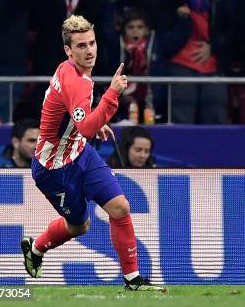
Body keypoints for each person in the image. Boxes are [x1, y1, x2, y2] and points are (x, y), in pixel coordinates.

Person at [20, 15, 164, 292]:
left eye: (92, 43)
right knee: (79, 226)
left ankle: (133, 279)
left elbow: (80, 121)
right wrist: (112, 94)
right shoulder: (77, 81)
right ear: (68, 50)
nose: (90, 51)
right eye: (82, 46)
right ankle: (36, 248)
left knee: (120, 207)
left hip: (80, 153)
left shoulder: (72, 72)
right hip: (55, 169)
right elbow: (85, 126)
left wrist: (96, 122)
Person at [154, 0, 233, 124]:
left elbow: (231, 28)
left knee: (216, 120)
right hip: (180, 63)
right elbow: (164, 7)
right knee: (181, 122)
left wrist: (212, 47)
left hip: (212, 63)